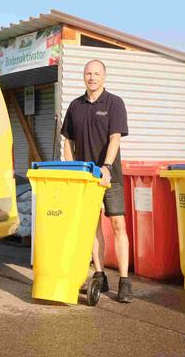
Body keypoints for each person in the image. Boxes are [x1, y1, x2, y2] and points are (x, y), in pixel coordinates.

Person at [60, 59, 132, 303]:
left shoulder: (114, 103)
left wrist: (107, 167)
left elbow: (115, 139)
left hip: (110, 176)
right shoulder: (75, 106)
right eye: (88, 73)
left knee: (118, 224)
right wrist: (72, 169)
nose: (92, 77)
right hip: (85, 179)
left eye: (96, 73)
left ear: (104, 77)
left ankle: (124, 281)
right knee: (92, 226)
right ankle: (100, 275)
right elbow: (66, 141)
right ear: (84, 76)